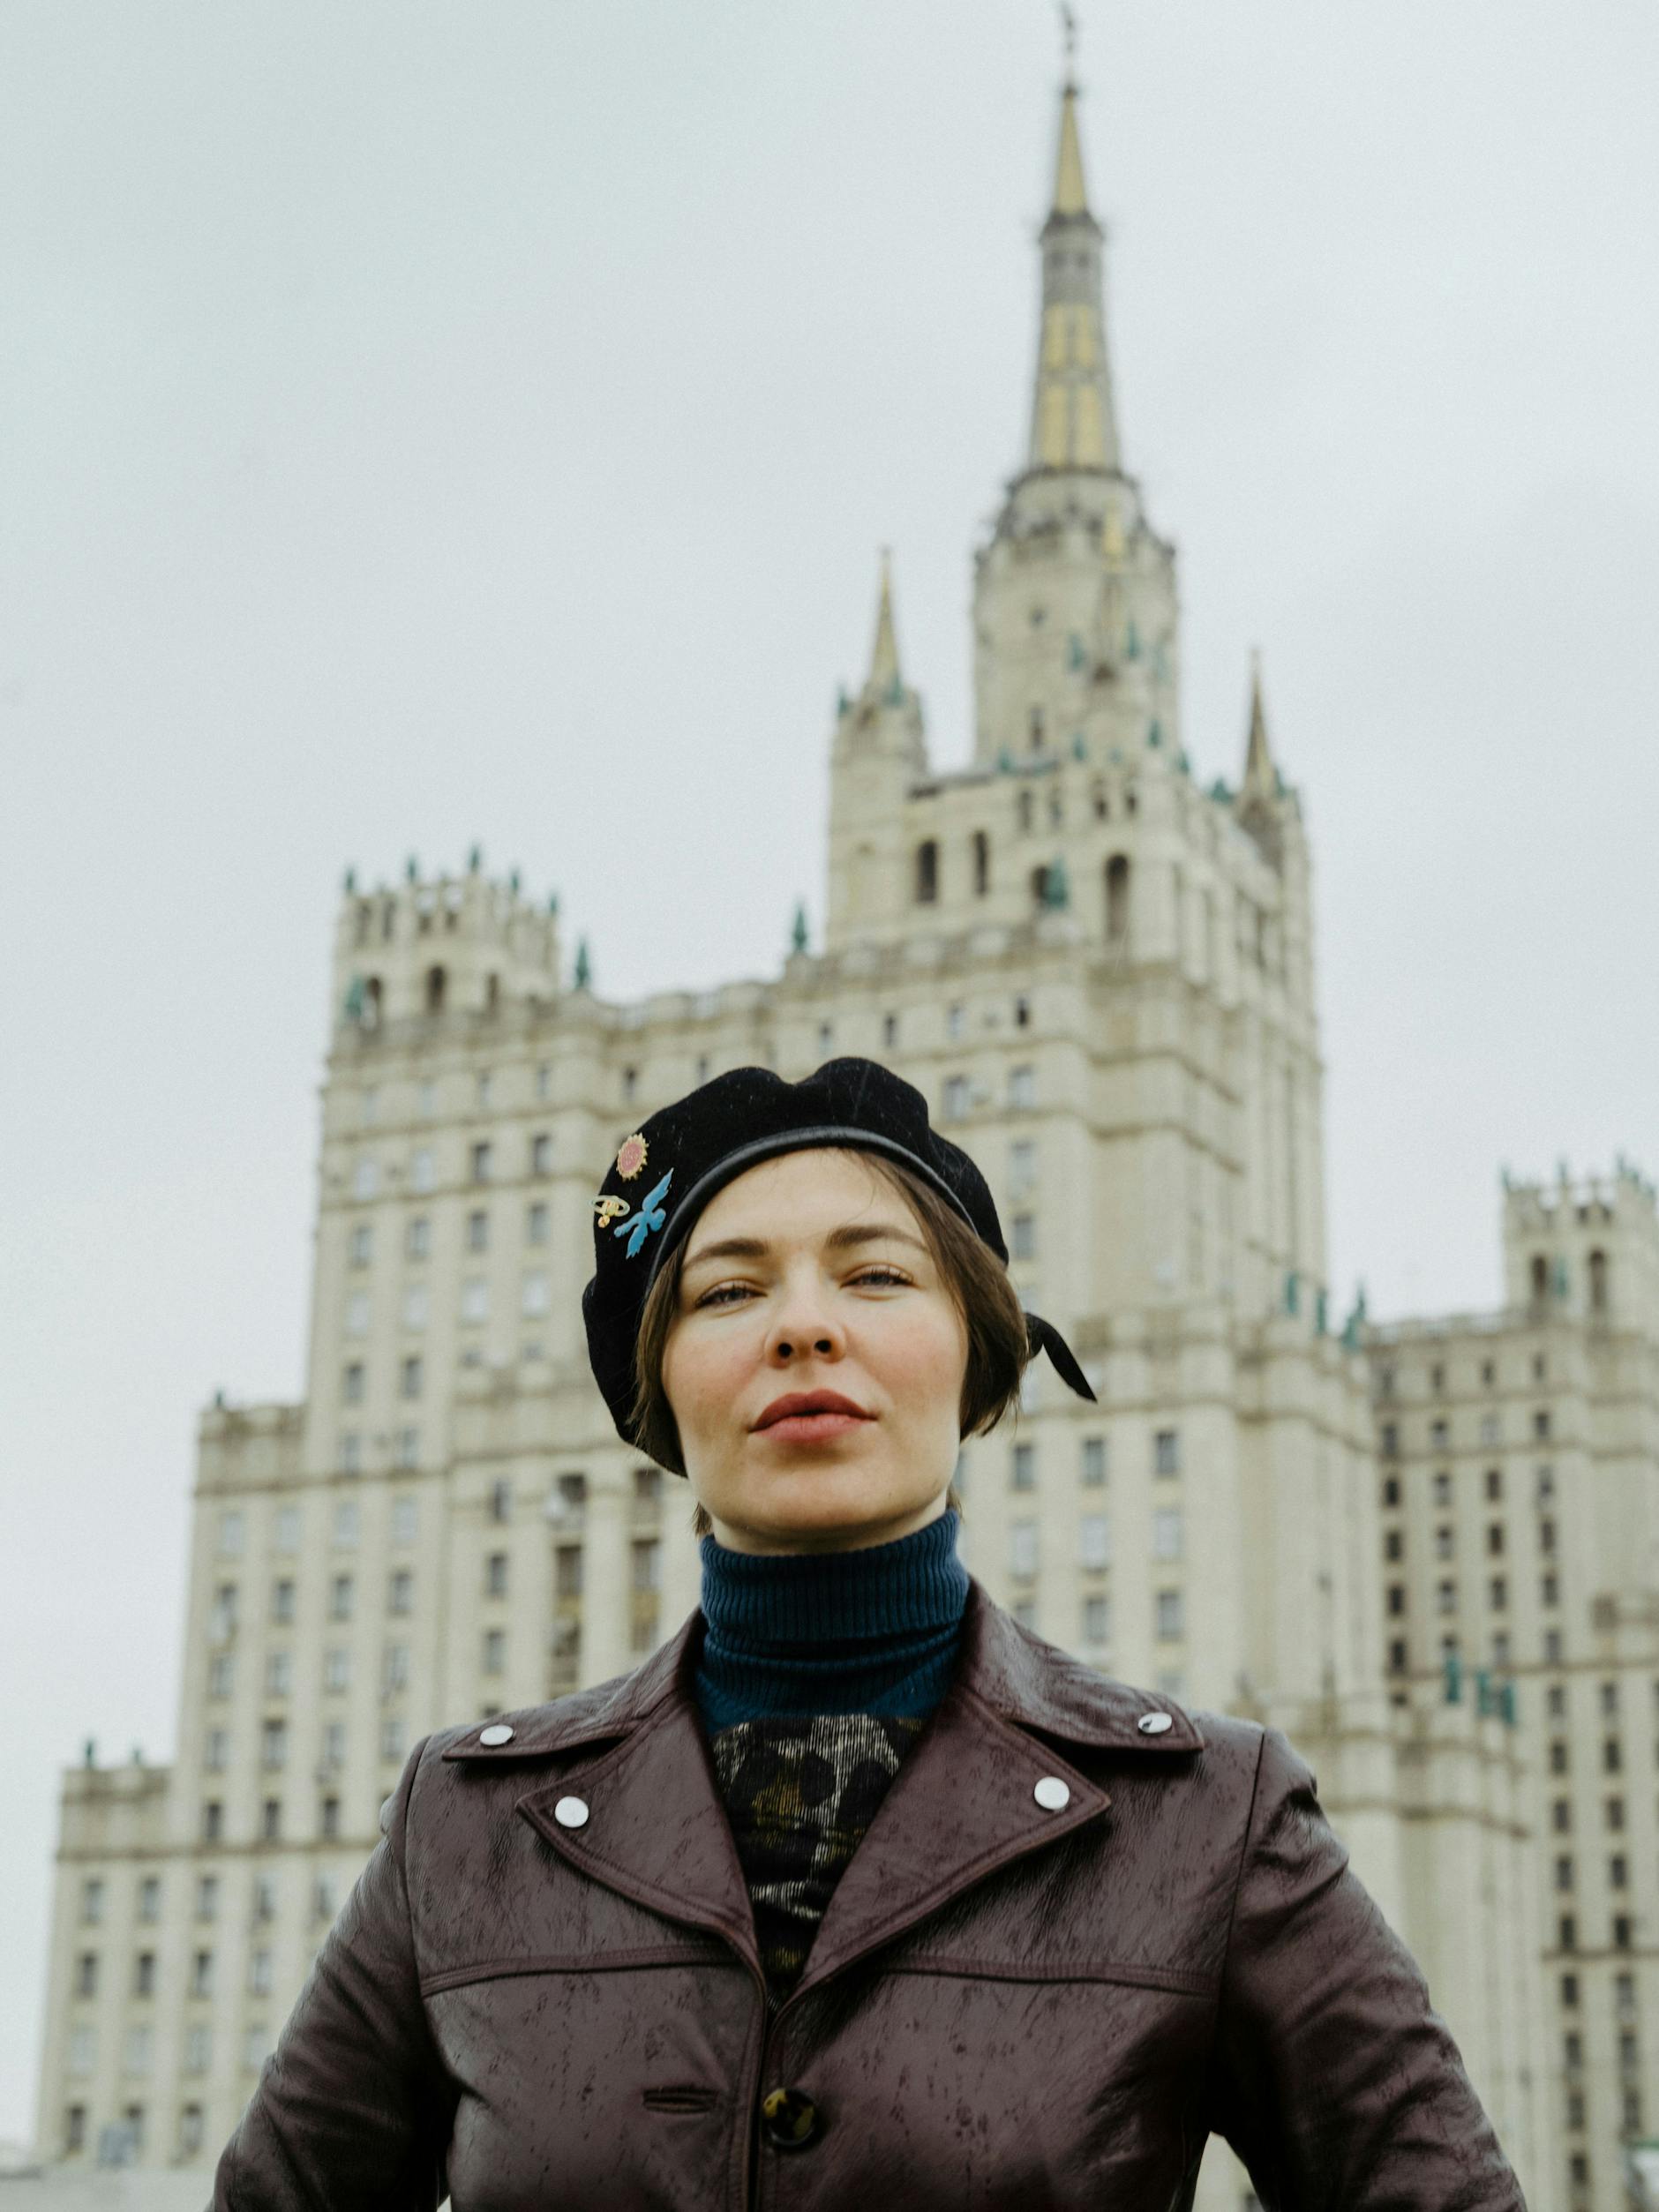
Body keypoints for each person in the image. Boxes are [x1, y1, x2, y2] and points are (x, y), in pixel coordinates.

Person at [211, 1058, 1528, 2208]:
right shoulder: (465, 1823)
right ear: (658, 1389)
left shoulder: (1205, 1817)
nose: (804, 1324)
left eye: (877, 1273)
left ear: (977, 1353)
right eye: (727, 1294)